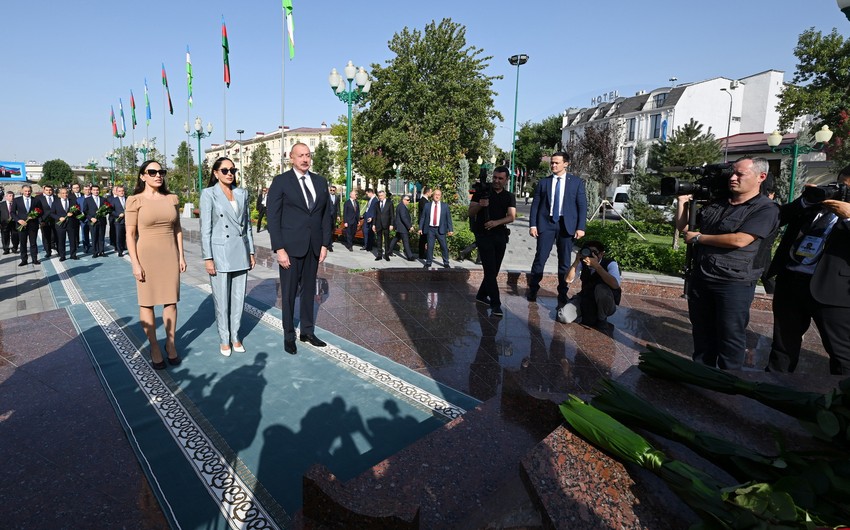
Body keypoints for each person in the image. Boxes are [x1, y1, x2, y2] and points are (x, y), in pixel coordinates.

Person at [676, 157, 779, 370]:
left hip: (733, 283)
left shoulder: (766, 209)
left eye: (740, 174)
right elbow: (685, 229)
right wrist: (682, 203)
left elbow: (740, 240)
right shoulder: (719, 202)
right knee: (702, 334)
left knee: (730, 336)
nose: (733, 178)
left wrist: (699, 238)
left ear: (761, 177)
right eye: (732, 173)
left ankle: (728, 383)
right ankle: (701, 374)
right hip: (702, 277)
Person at [765, 165, 850, 375]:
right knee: (782, 347)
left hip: (833, 291)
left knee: (842, 353)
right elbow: (776, 218)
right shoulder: (817, 205)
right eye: (841, 186)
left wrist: (849, 217)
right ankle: (774, 390)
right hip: (791, 282)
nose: (843, 192)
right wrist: (806, 200)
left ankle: (840, 401)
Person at [267, 142, 333, 355]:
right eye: (300, 155)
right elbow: (273, 217)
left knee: (308, 292)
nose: (305, 159)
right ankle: (289, 336)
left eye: (308, 155)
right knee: (288, 293)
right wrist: (279, 248)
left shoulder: (320, 182)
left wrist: (324, 244)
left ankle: (307, 331)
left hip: (313, 246)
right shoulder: (281, 182)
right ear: (291, 158)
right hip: (290, 248)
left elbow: (325, 215)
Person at [126, 160, 186, 369]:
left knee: (171, 302)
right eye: (152, 172)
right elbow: (130, 234)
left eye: (161, 171)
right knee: (147, 302)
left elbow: (177, 228)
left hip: (169, 254)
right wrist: (135, 263)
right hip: (146, 256)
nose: (158, 175)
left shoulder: (171, 199)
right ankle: (154, 346)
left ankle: (170, 344)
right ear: (142, 176)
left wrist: (181, 256)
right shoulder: (134, 200)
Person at [200, 157, 256, 356]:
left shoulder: (242, 193)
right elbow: (205, 229)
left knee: (239, 297)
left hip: (240, 250)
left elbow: (247, 225)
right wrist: (208, 257)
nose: (230, 173)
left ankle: (235, 336)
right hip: (220, 252)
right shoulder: (208, 194)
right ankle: (224, 339)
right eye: (224, 170)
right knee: (222, 300)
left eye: (233, 169)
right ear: (215, 173)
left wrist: (251, 251)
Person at [527, 151, 587, 307]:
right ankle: (533, 289)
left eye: (556, 163)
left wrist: (581, 227)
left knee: (564, 261)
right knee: (540, 258)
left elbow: (582, 206)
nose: (553, 165)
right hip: (546, 225)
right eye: (552, 163)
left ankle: (562, 293)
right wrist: (533, 224)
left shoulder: (576, 182)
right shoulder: (543, 183)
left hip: (566, 226)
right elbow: (536, 205)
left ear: (566, 164)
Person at [468, 166, 516, 316]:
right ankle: (496, 304)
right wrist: (480, 205)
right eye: (495, 177)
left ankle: (481, 295)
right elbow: (470, 212)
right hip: (483, 235)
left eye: (500, 178)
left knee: (494, 270)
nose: (496, 181)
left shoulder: (509, 196)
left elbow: (511, 216)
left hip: (500, 235)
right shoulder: (482, 191)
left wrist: (496, 222)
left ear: (506, 180)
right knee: (489, 269)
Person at [557, 241, 621, 328]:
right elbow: (568, 280)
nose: (590, 255)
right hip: (586, 299)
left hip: (606, 302)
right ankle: (584, 314)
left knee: (601, 289)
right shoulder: (582, 263)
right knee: (563, 317)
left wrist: (596, 266)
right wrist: (576, 262)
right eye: (588, 251)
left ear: (601, 254)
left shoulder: (611, 263)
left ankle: (601, 318)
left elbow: (615, 285)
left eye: (594, 252)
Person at [418, 188, 453, 268]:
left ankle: (446, 262)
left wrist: (450, 229)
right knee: (430, 246)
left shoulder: (445, 206)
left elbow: (448, 218)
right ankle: (428, 262)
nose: (437, 196)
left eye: (439, 195)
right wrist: (420, 228)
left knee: (444, 246)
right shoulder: (427, 205)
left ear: (440, 196)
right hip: (430, 229)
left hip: (441, 229)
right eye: (436, 195)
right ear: (433, 196)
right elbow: (423, 217)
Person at [13, 184, 41, 266]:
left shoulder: (36, 200)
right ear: (22, 191)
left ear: (31, 191)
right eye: (25, 191)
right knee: (23, 243)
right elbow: (12, 212)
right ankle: (24, 260)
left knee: (33, 243)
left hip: (33, 225)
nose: (27, 193)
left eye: (29, 191)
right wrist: (18, 220)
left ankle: (34, 259)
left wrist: (35, 216)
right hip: (21, 225)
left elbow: (40, 211)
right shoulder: (16, 200)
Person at [50, 187, 80, 261]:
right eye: (63, 193)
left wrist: (73, 213)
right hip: (60, 225)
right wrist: (58, 218)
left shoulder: (73, 201)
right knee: (61, 240)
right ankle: (62, 255)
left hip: (71, 224)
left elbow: (78, 211)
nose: (65, 194)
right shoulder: (55, 202)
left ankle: (73, 255)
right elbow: (51, 213)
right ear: (59, 194)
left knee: (72, 240)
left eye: (66, 193)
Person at [388, 195, 415, 261]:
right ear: (403, 200)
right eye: (407, 200)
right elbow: (404, 218)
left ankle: (389, 251)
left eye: (409, 200)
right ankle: (410, 256)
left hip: (400, 227)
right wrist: (409, 226)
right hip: (403, 227)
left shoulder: (401, 206)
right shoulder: (402, 207)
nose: (409, 201)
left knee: (395, 239)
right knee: (406, 241)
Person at [84, 184, 108, 257]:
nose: (96, 191)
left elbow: (106, 209)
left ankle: (101, 251)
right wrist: (91, 218)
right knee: (94, 237)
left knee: (101, 237)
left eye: (97, 190)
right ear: (91, 191)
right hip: (92, 221)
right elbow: (85, 211)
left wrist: (104, 213)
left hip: (101, 221)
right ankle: (95, 252)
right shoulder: (87, 200)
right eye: (94, 190)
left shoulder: (103, 199)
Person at [372, 190, 394, 261]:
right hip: (378, 224)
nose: (380, 197)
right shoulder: (376, 204)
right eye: (379, 196)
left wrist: (391, 224)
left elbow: (392, 215)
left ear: (384, 196)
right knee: (379, 240)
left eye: (381, 196)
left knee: (387, 240)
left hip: (386, 224)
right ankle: (379, 255)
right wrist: (373, 225)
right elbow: (375, 215)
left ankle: (387, 255)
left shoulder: (389, 203)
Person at [37, 185, 57, 259]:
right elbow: (37, 211)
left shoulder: (56, 198)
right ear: (44, 190)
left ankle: (55, 247)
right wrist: (40, 221)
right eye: (47, 190)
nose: (49, 191)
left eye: (50, 190)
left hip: (55, 220)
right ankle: (48, 252)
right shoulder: (39, 198)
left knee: (55, 235)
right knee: (46, 236)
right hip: (44, 221)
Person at [110, 185, 128, 257]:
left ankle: (125, 247)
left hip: (128, 221)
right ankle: (120, 251)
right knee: (119, 236)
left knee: (127, 236)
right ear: (116, 192)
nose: (121, 192)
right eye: (120, 191)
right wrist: (118, 215)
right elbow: (111, 211)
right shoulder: (114, 200)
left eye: (123, 191)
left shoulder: (128, 199)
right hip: (119, 221)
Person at [1, 190, 19, 255]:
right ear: (6, 197)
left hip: (15, 223)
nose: (12, 197)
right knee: (5, 236)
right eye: (10, 196)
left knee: (15, 236)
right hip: (4, 223)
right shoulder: (1, 205)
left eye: (13, 196)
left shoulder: (16, 204)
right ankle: (6, 249)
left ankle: (15, 248)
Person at [417, 186, 432, 258]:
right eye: (431, 192)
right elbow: (424, 213)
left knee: (424, 238)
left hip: (425, 222)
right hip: (423, 223)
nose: (431, 194)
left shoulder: (425, 200)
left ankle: (423, 253)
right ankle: (421, 254)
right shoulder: (423, 201)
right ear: (428, 192)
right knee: (423, 239)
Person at [77, 184, 91, 253]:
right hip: (83, 219)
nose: (87, 191)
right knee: (84, 234)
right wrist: (80, 215)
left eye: (89, 189)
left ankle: (95, 246)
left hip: (92, 219)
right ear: (83, 190)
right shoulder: (79, 199)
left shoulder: (93, 198)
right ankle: (86, 246)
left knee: (94, 233)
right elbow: (77, 209)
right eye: (86, 189)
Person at [328, 185, 339, 252]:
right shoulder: (326, 197)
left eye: (333, 190)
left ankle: (329, 243)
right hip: (327, 216)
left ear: (335, 191)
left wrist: (338, 215)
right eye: (331, 190)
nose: (332, 191)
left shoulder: (337, 198)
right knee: (328, 230)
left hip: (334, 217)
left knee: (332, 230)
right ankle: (329, 245)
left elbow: (338, 207)